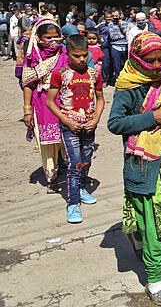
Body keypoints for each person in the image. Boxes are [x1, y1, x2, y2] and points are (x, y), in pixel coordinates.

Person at [107, 32, 161, 306]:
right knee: (152, 225)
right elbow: (115, 123)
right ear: (137, 59)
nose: (157, 66)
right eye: (151, 61)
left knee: (160, 222)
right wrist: (150, 117)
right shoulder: (127, 85)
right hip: (142, 164)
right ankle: (155, 279)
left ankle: (141, 241)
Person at [46, 34, 105, 223]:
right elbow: (50, 102)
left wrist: (96, 119)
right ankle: (73, 203)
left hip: (89, 126)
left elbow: (100, 99)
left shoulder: (94, 73)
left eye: (84, 55)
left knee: (86, 160)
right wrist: (67, 120)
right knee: (74, 163)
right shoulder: (60, 73)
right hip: (69, 126)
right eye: (76, 56)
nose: (81, 59)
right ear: (68, 53)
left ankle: (80, 187)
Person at [21, 18, 68, 193]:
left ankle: (74, 175)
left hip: (65, 102)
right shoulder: (32, 55)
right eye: (49, 38)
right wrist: (27, 111)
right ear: (39, 37)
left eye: (57, 37)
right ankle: (52, 178)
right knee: (47, 143)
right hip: (42, 103)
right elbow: (27, 84)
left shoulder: (64, 52)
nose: (54, 41)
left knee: (67, 140)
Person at [108, 9, 128, 84]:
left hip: (125, 47)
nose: (115, 17)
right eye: (113, 16)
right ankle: (117, 80)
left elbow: (127, 34)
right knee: (116, 66)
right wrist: (122, 36)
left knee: (124, 65)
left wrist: (122, 26)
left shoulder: (125, 24)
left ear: (120, 15)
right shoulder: (110, 25)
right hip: (115, 47)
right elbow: (112, 36)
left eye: (116, 16)